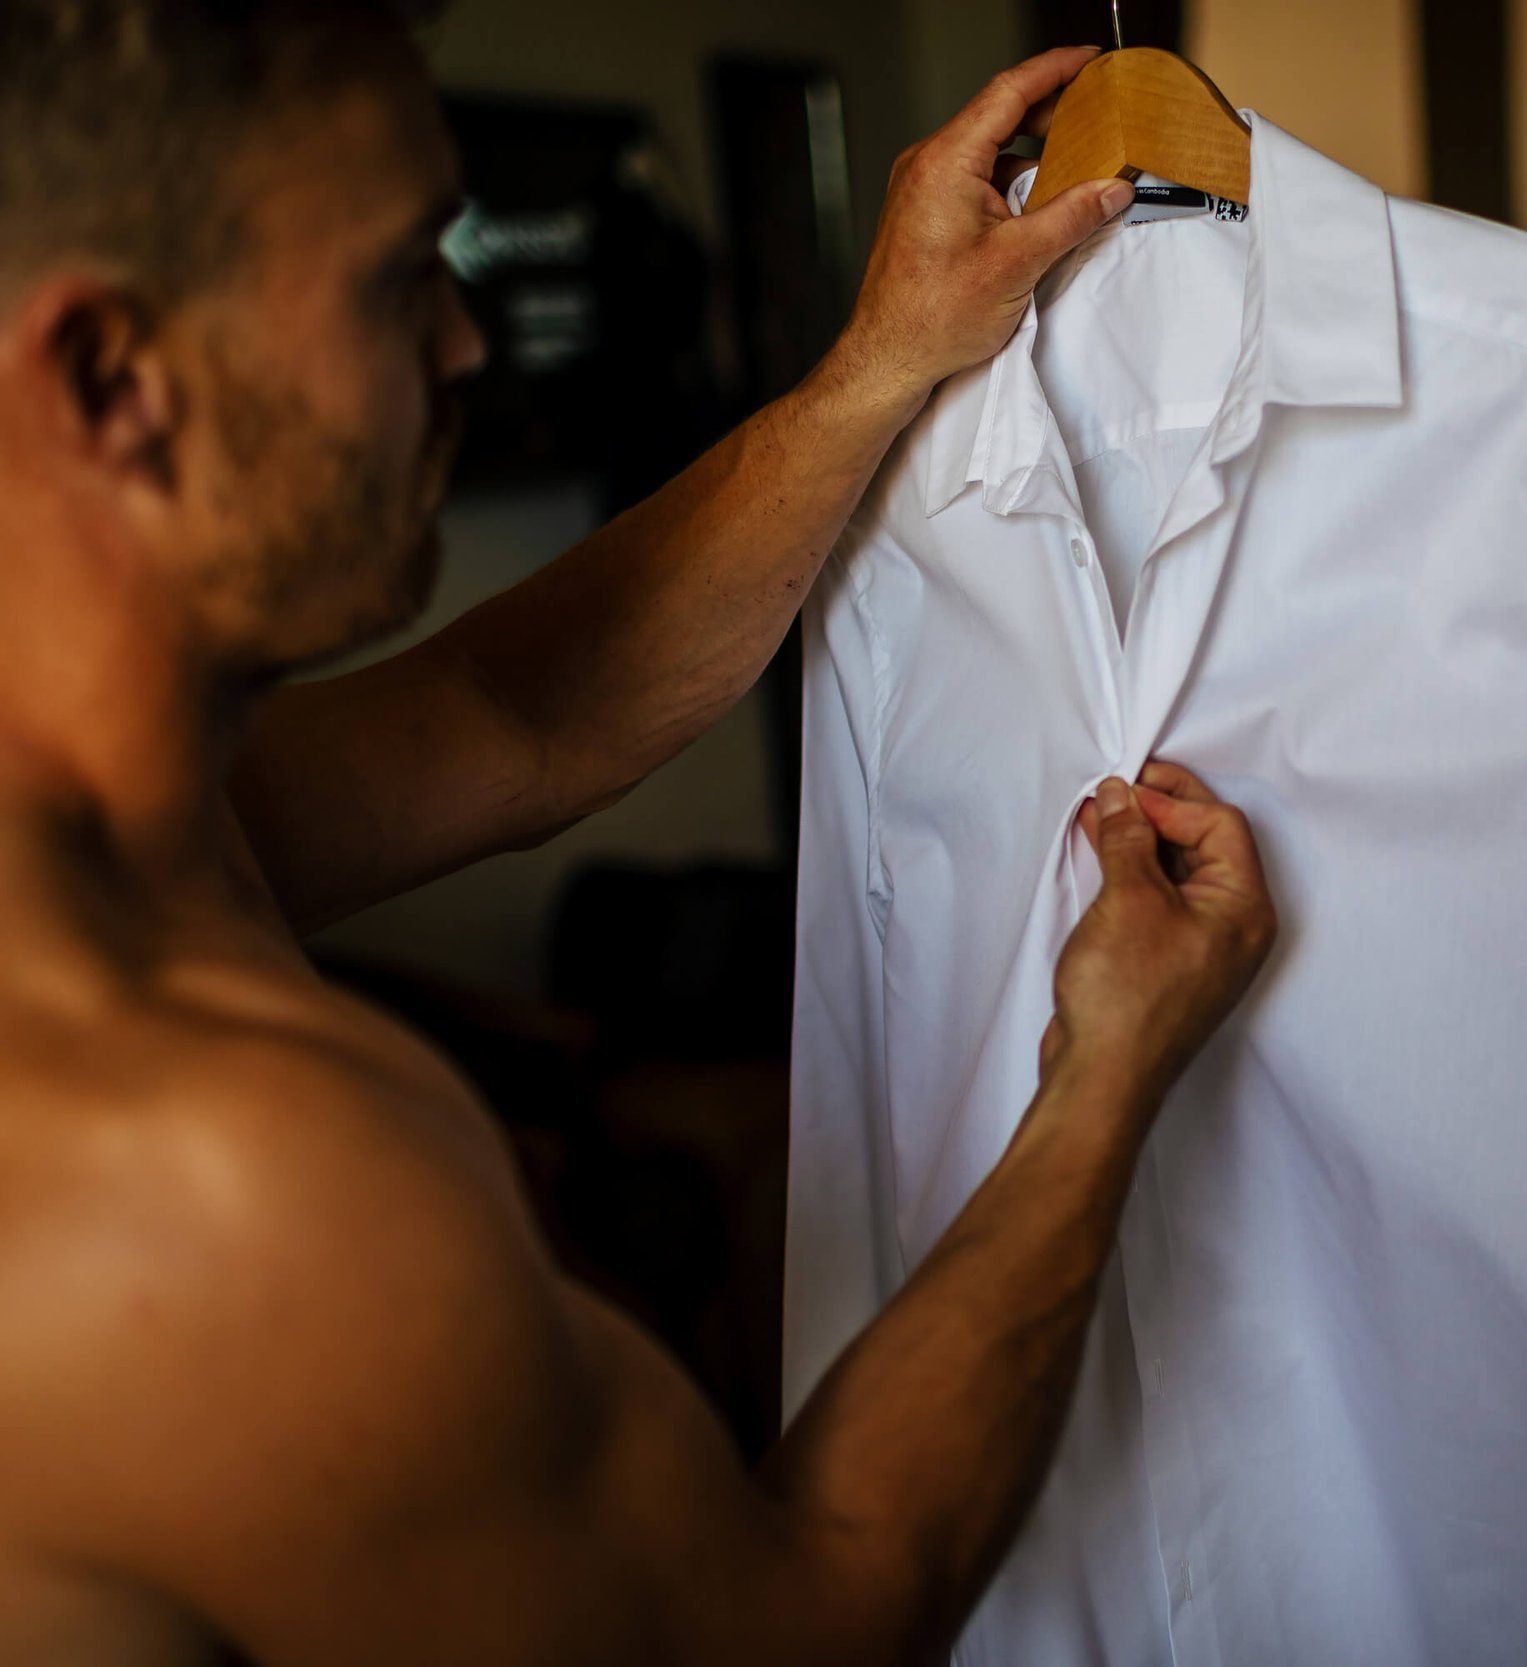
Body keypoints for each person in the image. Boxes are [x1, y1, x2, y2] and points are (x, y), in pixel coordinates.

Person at [0, 3, 1278, 1661]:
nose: (466, 342)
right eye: (402, 272)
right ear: (114, 375)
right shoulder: (222, 1194)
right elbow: (803, 1612)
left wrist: (881, 359)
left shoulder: (137, 815)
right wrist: (1105, 1079)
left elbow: (517, 715)